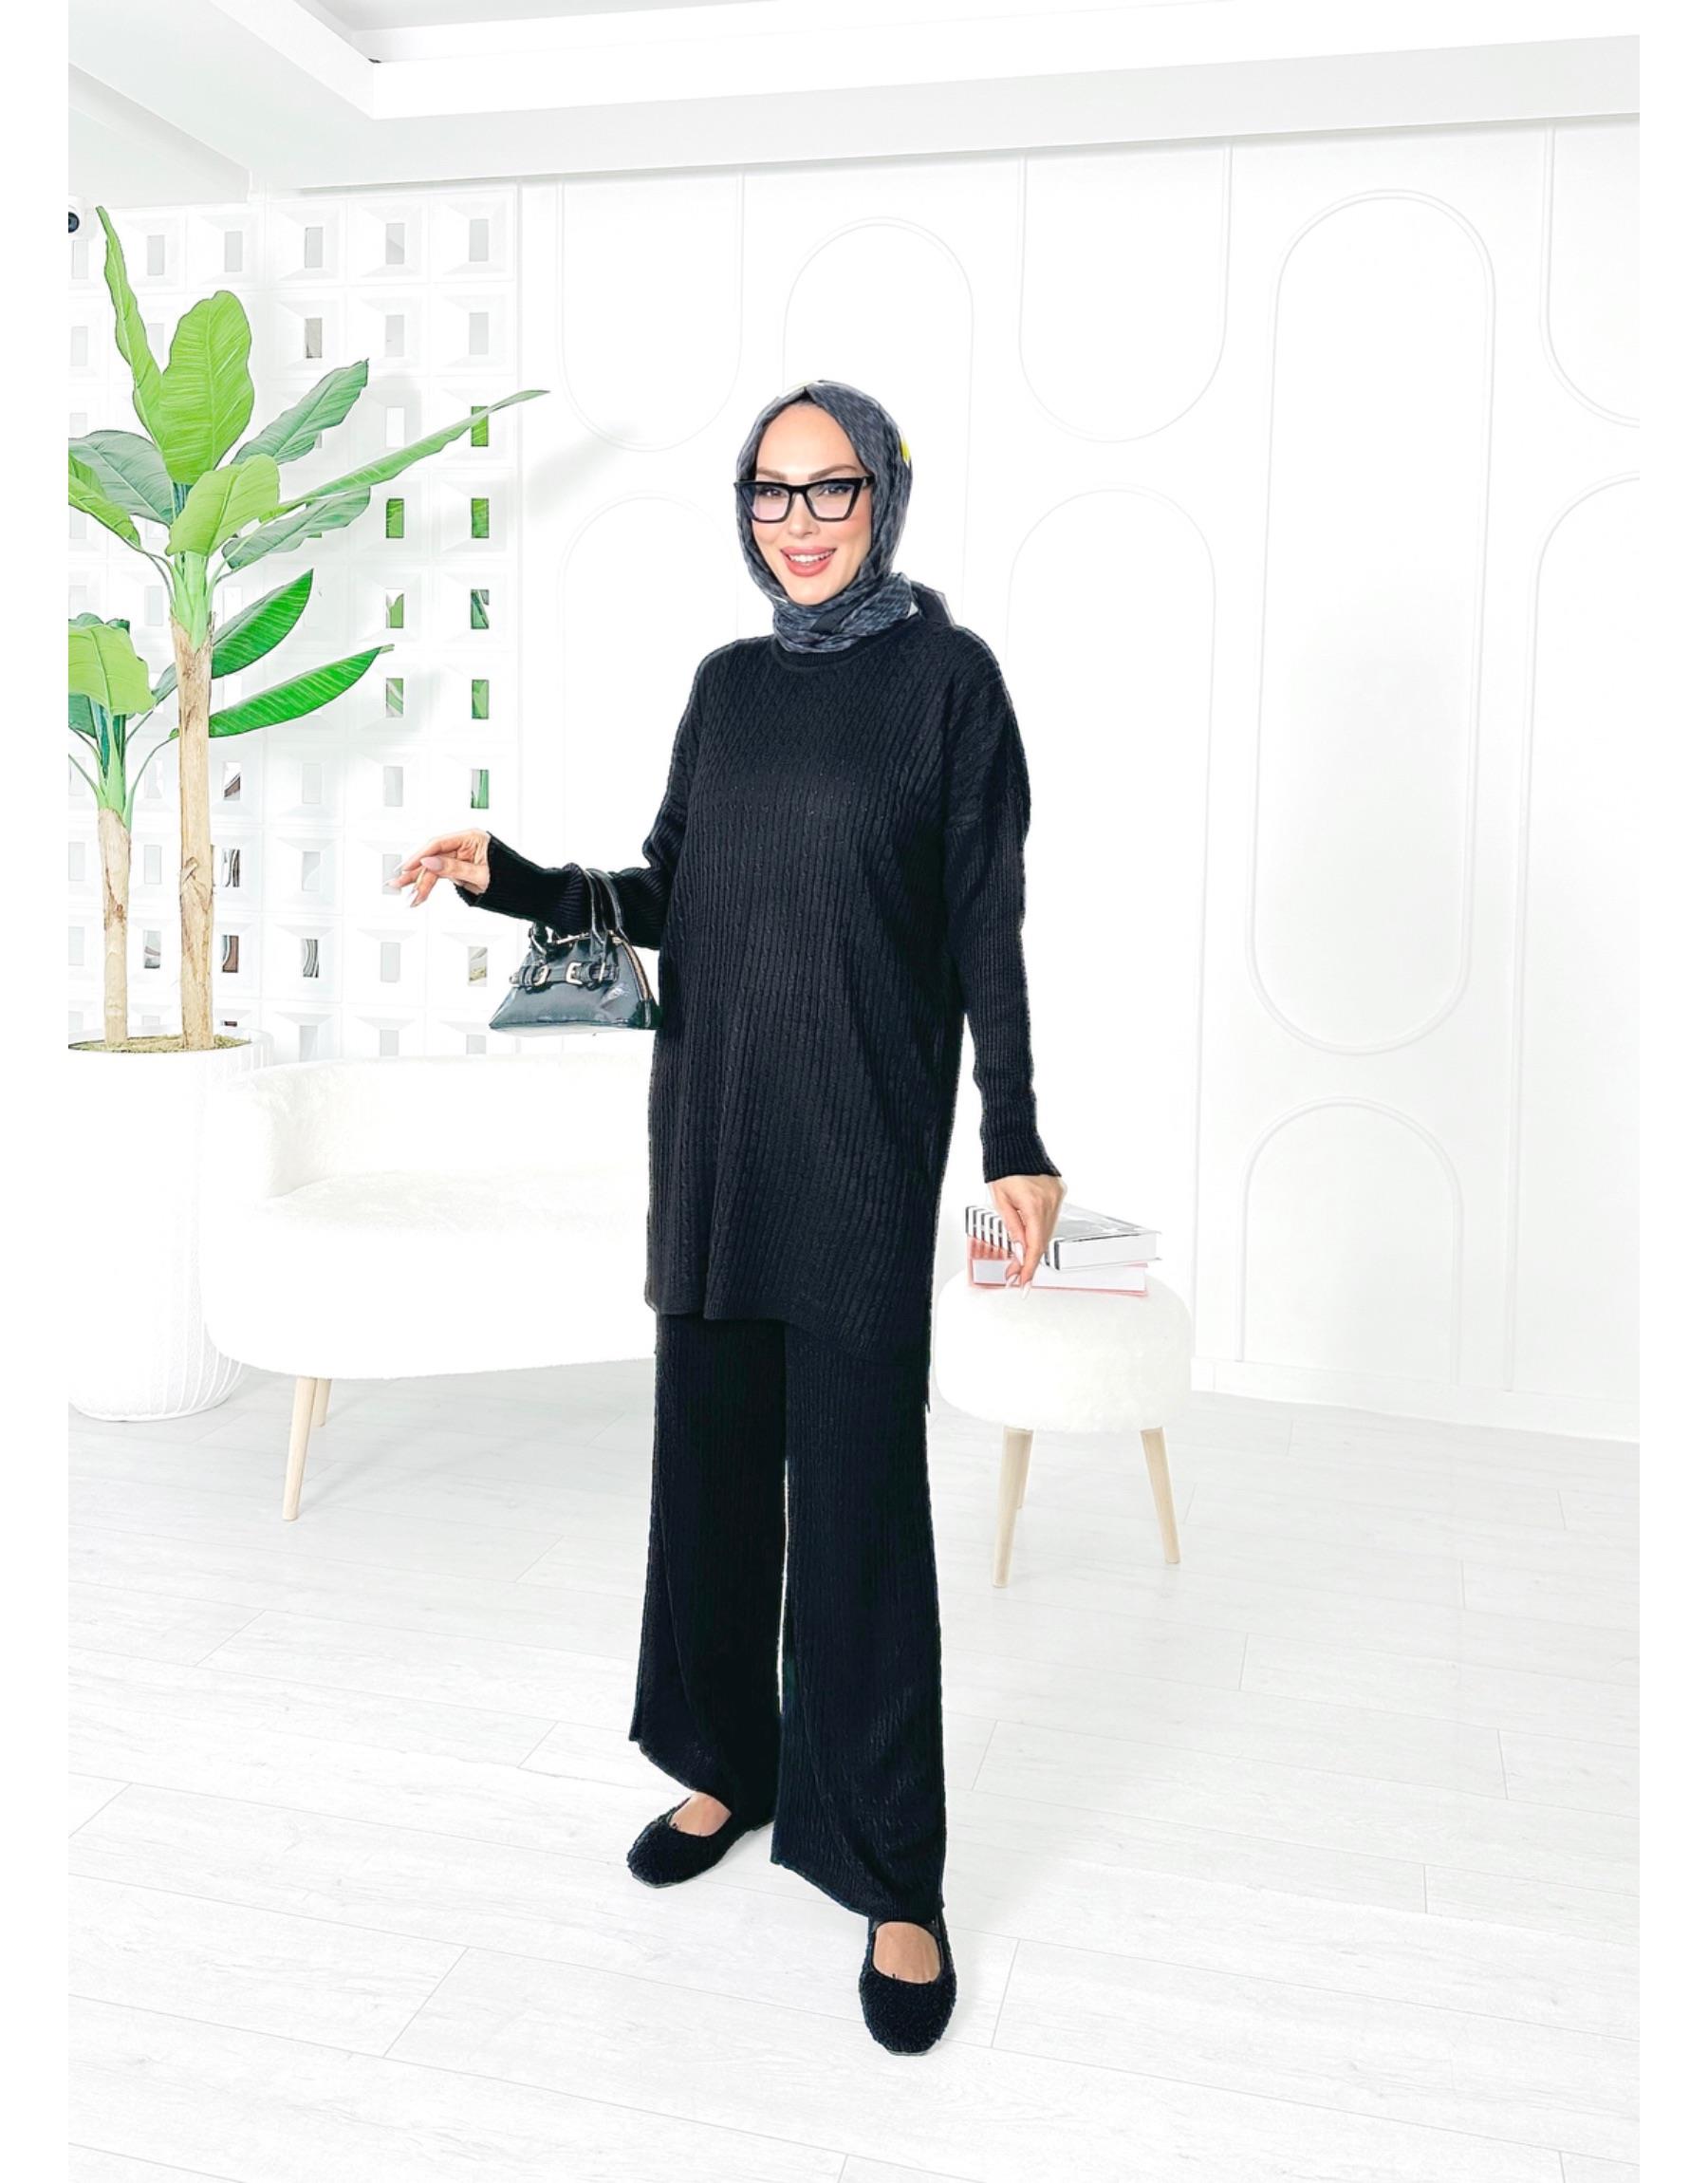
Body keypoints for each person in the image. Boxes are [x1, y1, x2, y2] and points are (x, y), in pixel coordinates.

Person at [392, 378, 1065, 2054]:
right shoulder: (727, 687)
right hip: (712, 1137)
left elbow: (985, 925)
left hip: (858, 1153)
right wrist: (513, 880)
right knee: (705, 1481)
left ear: (886, 492)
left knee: (857, 1514)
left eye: (832, 489)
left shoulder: (952, 686)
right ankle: (723, 1763)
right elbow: (668, 891)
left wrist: (1016, 1136)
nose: (800, 522)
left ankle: (891, 1870)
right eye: (771, 493)